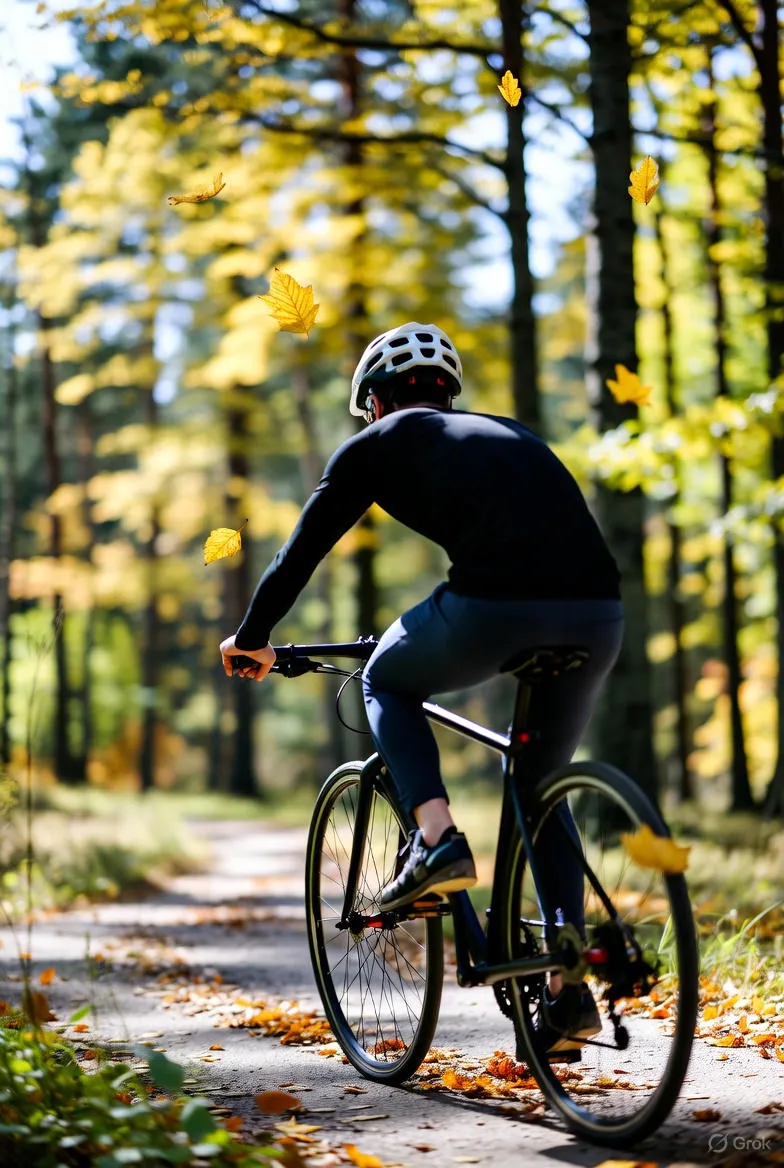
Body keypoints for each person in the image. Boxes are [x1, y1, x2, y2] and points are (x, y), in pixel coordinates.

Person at [219, 322, 624, 1054]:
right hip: (601, 614)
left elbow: (296, 557)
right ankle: (568, 986)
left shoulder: (376, 443)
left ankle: (436, 843)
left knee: (385, 677)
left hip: (494, 608)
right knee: (538, 781)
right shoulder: (509, 432)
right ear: (447, 391)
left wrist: (250, 638)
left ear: (375, 401)